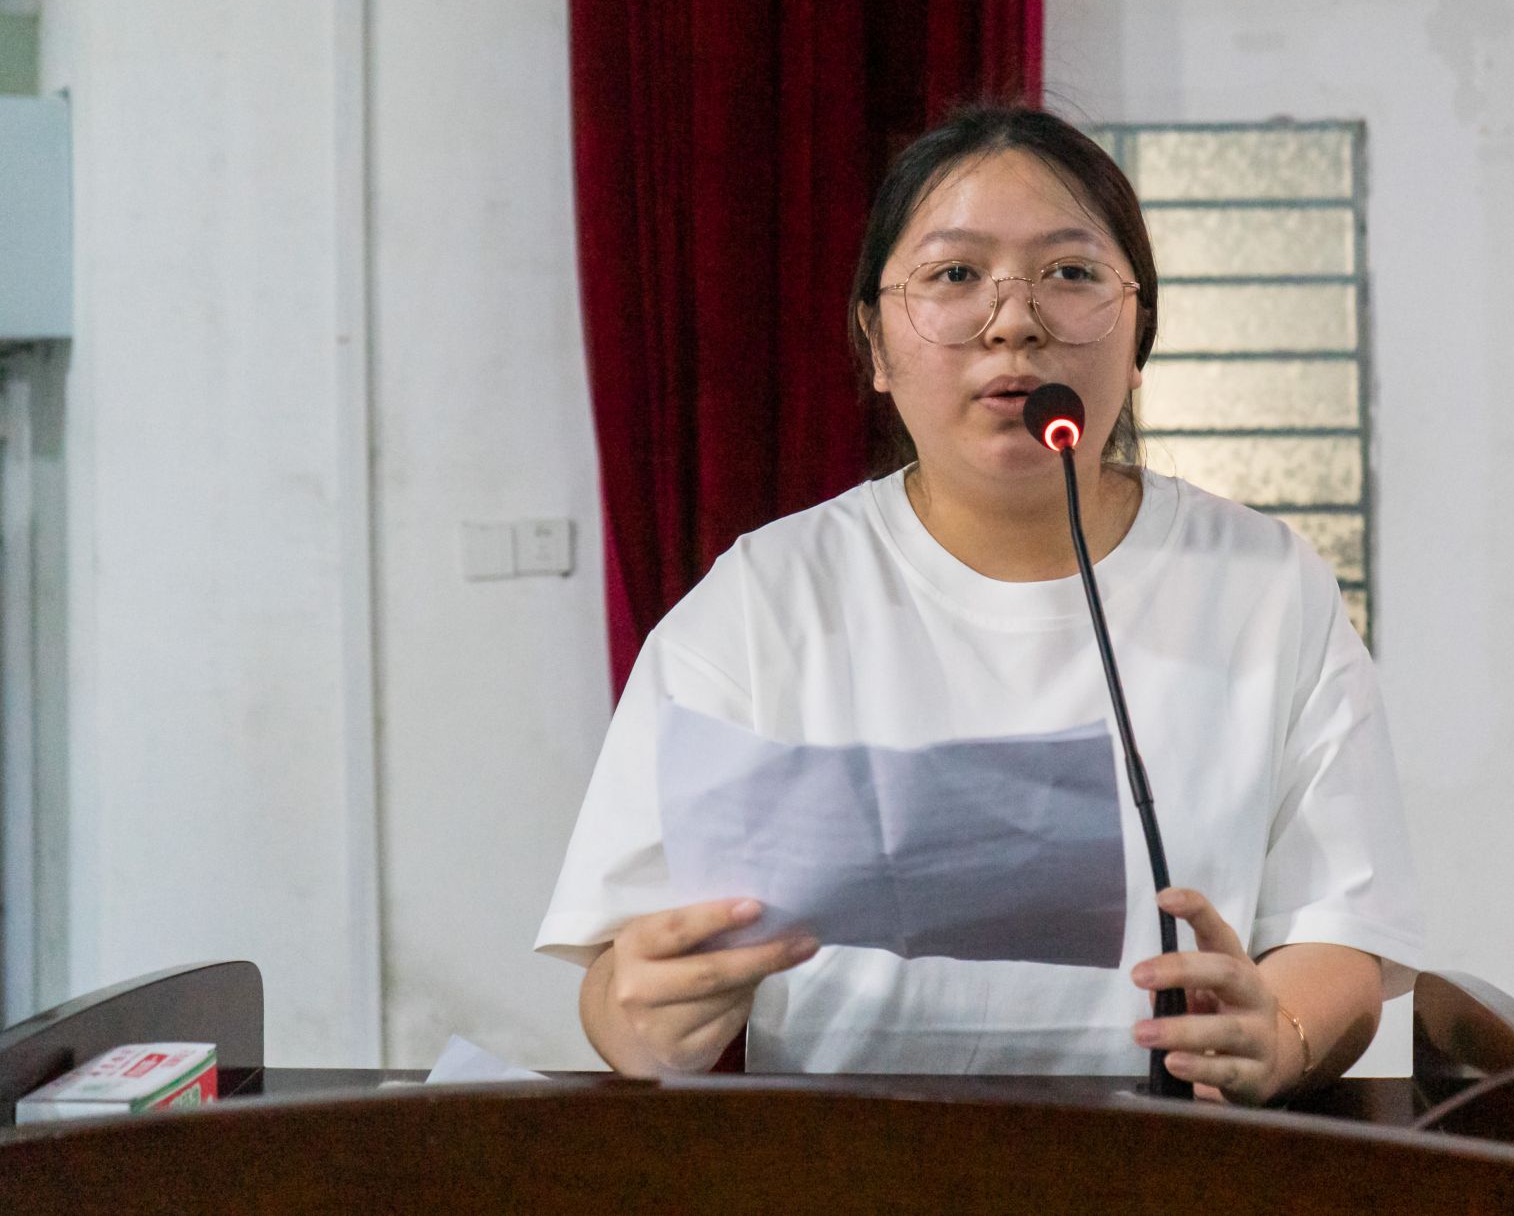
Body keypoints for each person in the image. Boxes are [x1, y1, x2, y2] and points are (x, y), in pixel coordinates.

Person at [535, 105, 1422, 1105]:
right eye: (955, 275)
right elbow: (619, 977)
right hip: (850, 1158)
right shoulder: (763, 599)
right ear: (875, 344)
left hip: (1174, 1159)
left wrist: (1282, 1035)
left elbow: (1341, 932)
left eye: (1070, 272)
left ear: (1138, 337)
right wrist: (646, 1018)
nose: (1013, 322)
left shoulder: (1263, 585)